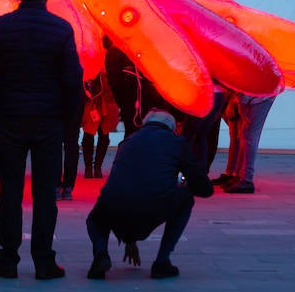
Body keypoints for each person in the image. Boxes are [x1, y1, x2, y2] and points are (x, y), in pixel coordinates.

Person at [0, 0, 83, 280]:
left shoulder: (1, 27)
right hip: (48, 120)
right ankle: (44, 260)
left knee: (9, 191)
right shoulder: (61, 29)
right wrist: (66, 114)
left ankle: (8, 260)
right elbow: (72, 78)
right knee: (45, 194)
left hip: (11, 118)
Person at [85, 109, 213, 280]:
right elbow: (204, 188)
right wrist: (182, 180)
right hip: (154, 206)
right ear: (172, 127)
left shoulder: (128, 141)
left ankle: (100, 254)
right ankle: (162, 261)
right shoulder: (176, 143)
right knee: (185, 199)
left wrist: (129, 238)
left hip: (114, 204)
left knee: (95, 219)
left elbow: (130, 184)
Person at [214, 91, 276, 194]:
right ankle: (237, 176)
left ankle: (246, 179)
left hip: (260, 94)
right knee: (241, 134)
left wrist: (238, 104)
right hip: (247, 93)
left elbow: (246, 85)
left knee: (249, 134)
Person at [80, 69, 120, 179]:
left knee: (98, 134)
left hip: (99, 101)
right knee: (96, 134)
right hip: (97, 101)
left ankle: (93, 167)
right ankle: (94, 167)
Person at [182, 81, 228, 171]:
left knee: (188, 135)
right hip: (219, 93)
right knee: (202, 135)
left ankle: (186, 169)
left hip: (204, 91)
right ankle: (200, 170)